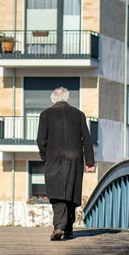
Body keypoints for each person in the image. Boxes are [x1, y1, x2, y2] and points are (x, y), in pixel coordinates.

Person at [37, 87, 95, 241]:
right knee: (71, 193)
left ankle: (59, 227)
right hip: (74, 160)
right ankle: (68, 229)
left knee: (57, 194)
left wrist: (45, 156)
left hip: (54, 159)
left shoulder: (45, 115)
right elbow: (87, 140)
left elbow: (41, 140)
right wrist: (89, 161)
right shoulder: (79, 115)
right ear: (67, 99)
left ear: (53, 100)